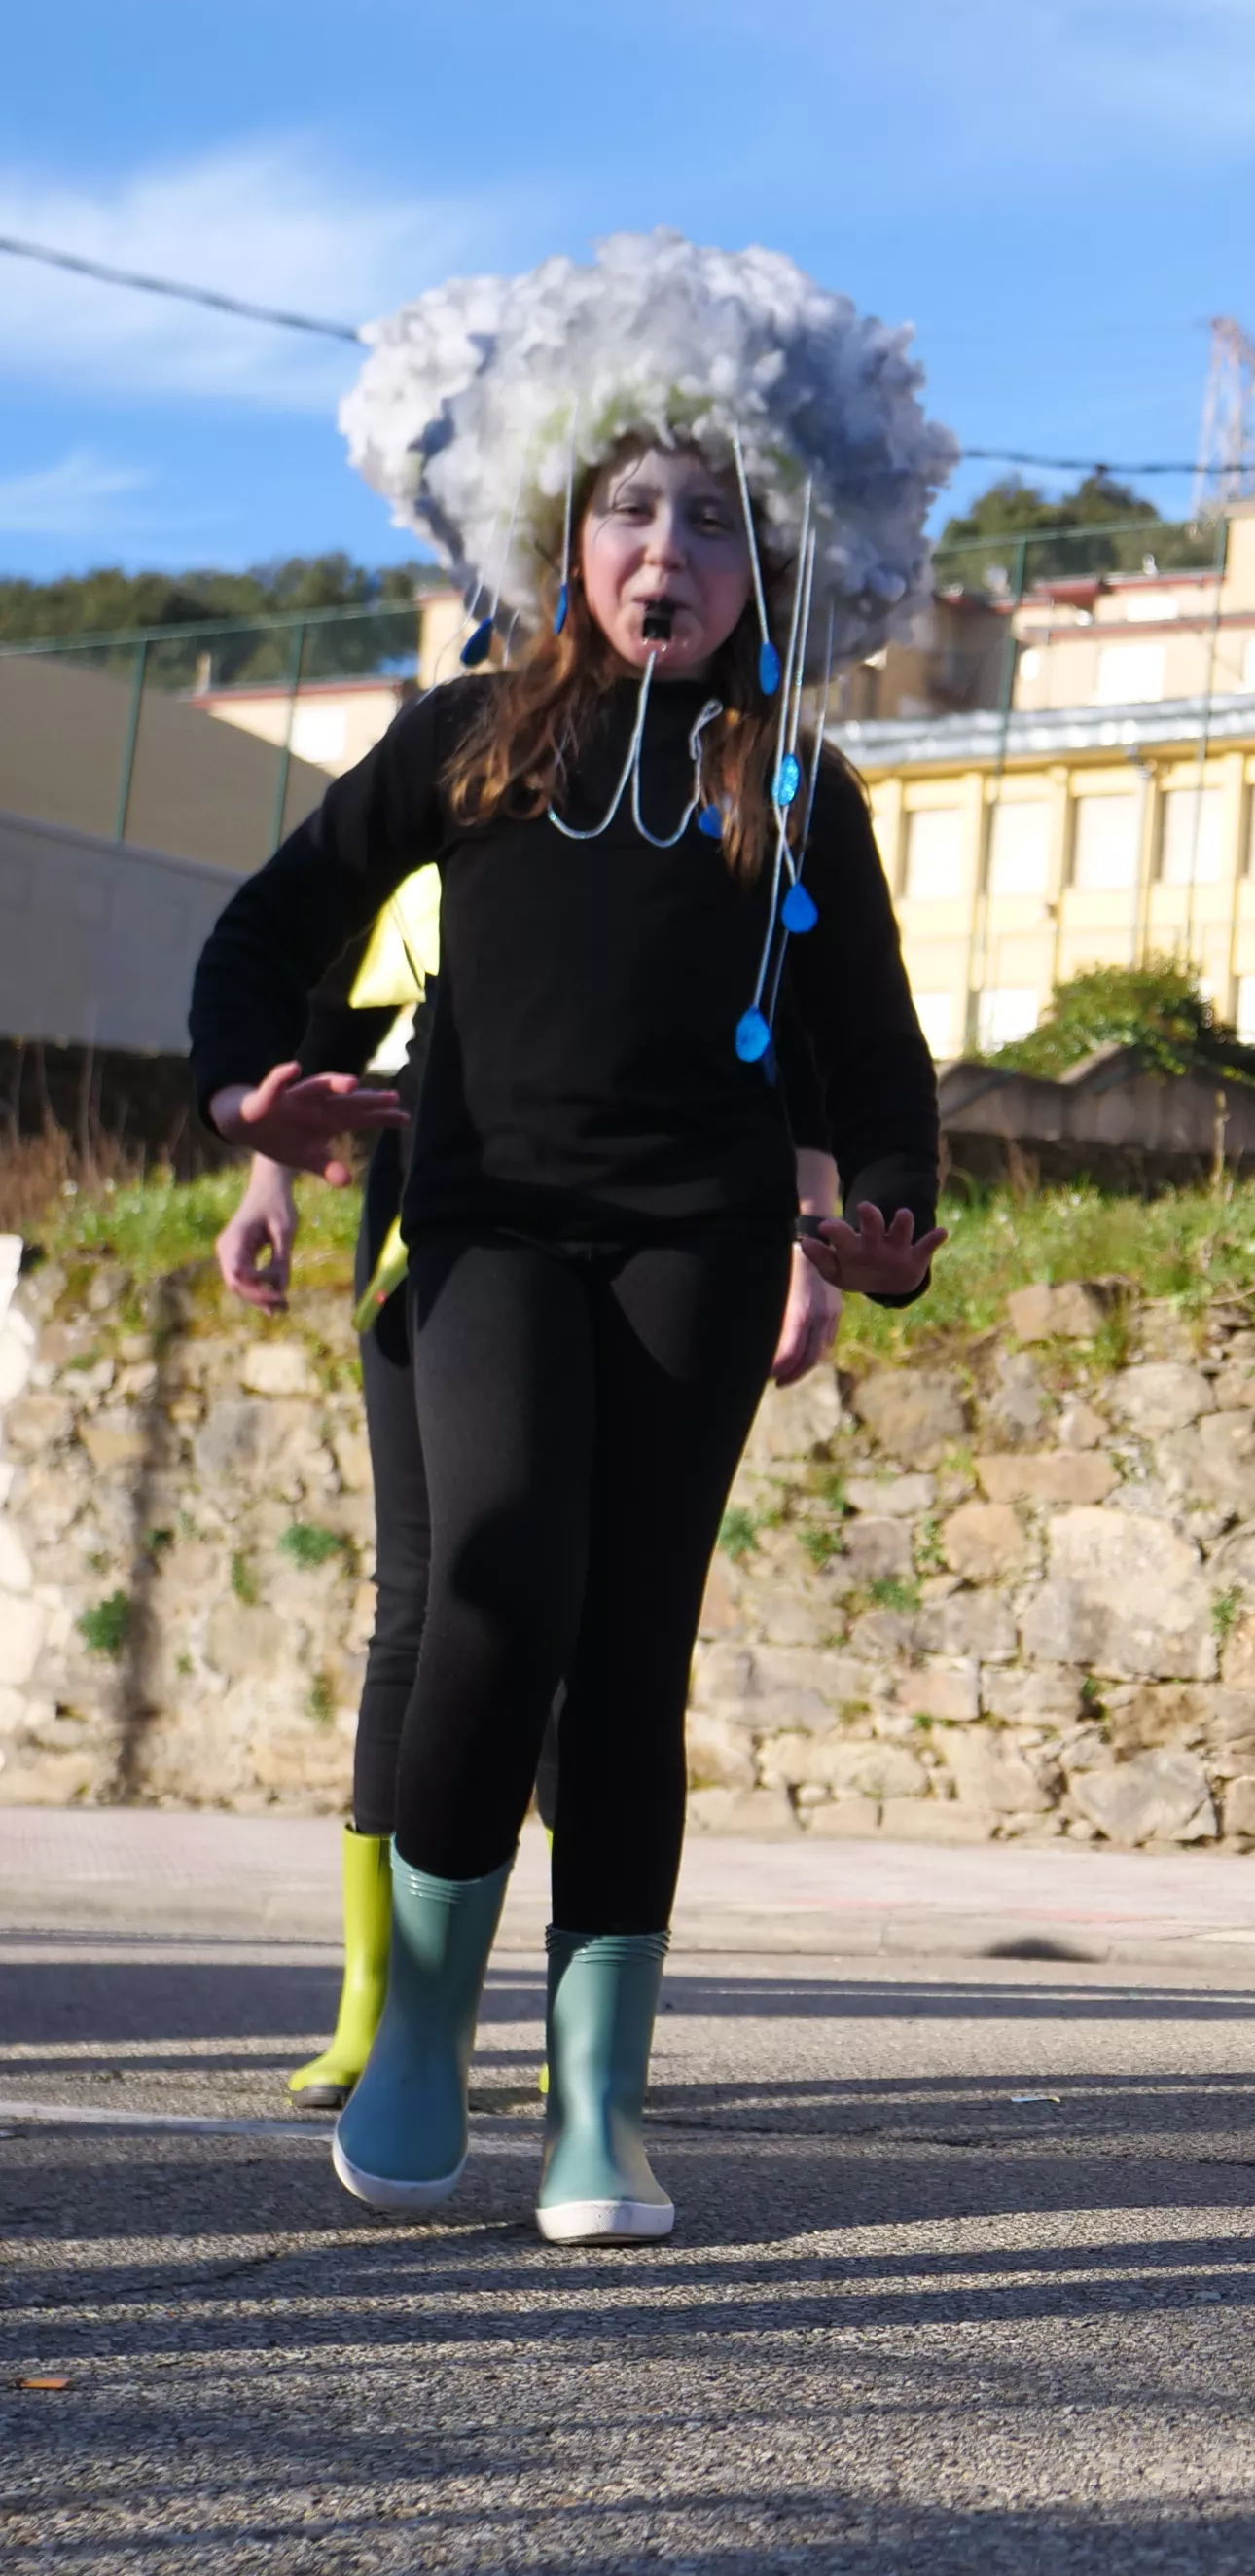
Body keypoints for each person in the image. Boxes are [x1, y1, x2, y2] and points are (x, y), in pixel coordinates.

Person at [187, 231, 952, 2246]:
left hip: (693, 1242)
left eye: (713, 519)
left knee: (629, 1653)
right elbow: (270, 927)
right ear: (565, 530)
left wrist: (885, 1216)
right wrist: (248, 1098)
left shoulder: (794, 787)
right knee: (500, 1579)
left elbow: (873, 1053)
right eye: (633, 508)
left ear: (769, 559)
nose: (669, 550)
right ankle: (424, 2021)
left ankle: (598, 2105)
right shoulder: (468, 741)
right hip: (491, 1223)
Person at [217, 901, 852, 2111]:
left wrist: (809, 1216)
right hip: (437, 1198)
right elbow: (332, 1013)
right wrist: (270, 1182)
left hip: (663, 1202)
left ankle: (586, 2044)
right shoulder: (460, 779)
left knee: (604, 1616)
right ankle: (386, 2007)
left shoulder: (738, 776)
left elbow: (809, 1006)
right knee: (428, 1591)